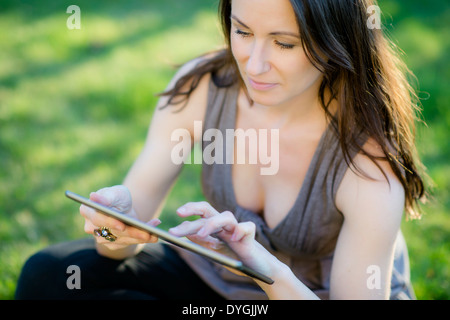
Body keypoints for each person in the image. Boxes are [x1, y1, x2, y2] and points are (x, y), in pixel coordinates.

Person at [16, 0, 427, 300]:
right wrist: (113, 225)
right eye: (243, 31)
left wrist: (266, 272)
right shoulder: (204, 88)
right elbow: (121, 242)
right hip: (215, 282)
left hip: (299, 296)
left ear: (337, 42)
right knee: (48, 276)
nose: (254, 64)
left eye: (284, 43)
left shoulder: (369, 162)